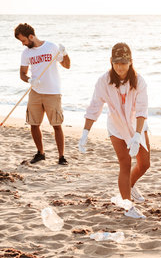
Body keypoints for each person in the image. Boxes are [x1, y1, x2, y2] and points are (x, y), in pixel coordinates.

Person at [78, 43, 150, 219]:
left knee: (145, 163)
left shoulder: (139, 81)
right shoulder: (103, 81)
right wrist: (85, 133)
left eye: (124, 63)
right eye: (116, 62)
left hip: (136, 125)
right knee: (125, 164)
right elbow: (94, 107)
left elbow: (142, 110)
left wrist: (137, 135)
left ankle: (130, 187)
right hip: (116, 127)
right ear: (111, 61)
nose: (120, 67)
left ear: (131, 62)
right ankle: (128, 207)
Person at [14, 23, 70, 165]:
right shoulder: (26, 53)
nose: (23, 44)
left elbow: (67, 65)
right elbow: (22, 73)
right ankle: (41, 153)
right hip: (35, 92)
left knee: (57, 125)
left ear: (31, 36)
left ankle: (61, 157)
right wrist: (29, 80)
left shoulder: (51, 47)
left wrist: (64, 53)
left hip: (53, 92)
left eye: (24, 40)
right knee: (34, 124)